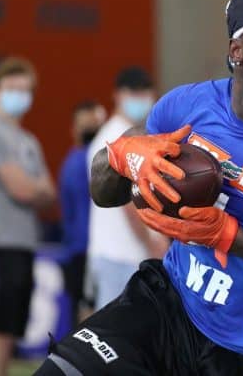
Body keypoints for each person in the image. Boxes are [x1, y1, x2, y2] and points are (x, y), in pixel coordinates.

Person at [34, 0, 243, 376]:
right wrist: (122, 157)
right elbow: (103, 193)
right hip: (169, 299)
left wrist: (230, 238)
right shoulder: (186, 107)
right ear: (236, 52)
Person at [0, 57, 56, 376]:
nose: (19, 95)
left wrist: (35, 188)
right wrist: (35, 188)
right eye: (11, 88)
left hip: (21, 245)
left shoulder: (27, 141)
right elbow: (23, 190)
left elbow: (48, 191)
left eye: (24, 89)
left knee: (10, 332)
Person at [85, 67, 169, 311]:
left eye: (146, 93)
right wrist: (152, 241)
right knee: (115, 335)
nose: (141, 99)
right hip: (119, 252)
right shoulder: (115, 138)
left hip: (123, 252)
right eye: (135, 93)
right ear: (118, 95)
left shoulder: (130, 136)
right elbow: (128, 200)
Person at [58, 100, 106, 327]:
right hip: (84, 249)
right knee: (87, 314)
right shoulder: (81, 162)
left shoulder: (79, 160)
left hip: (84, 248)